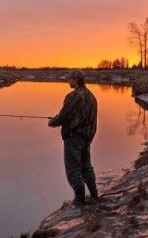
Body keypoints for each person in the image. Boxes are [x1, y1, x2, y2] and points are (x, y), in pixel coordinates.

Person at [48, 69, 98, 206]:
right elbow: (92, 119)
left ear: (76, 80)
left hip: (73, 137)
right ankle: (94, 195)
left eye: (69, 78)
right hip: (87, 138)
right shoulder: (91, 96)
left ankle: (79, 199)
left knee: (73, 169)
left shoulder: (73, 96)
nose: (67, 81)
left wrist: (52, 122)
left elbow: (64, 116)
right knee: (86, 166)